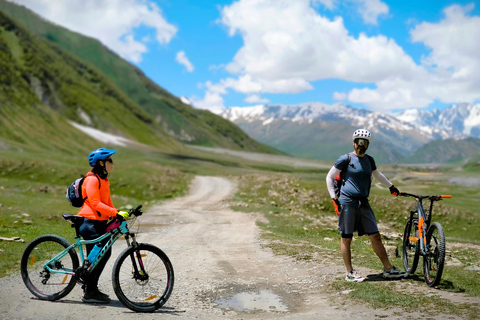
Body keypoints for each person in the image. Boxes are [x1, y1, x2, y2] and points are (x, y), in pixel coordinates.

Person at [326, 129, 404, 282]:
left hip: (364, 203)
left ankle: (388, 269)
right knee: (346, 238)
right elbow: (329, 176)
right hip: (347, 202)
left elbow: (377, 175)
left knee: (375, 235)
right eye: (359, 142)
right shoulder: (346, 159)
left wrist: (391, 186)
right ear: (354, 143)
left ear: (368, 145)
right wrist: (334, 198)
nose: (361, 145)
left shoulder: (369, 160)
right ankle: (349, 272)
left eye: (365, 142)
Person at [78, 148, 127, 303]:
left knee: (104, 253)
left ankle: (91, 288)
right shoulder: (92, 179)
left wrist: (117, 214)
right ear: (101, 163)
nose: (112, 164)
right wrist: (115, 212)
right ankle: (90, 292)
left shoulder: (104, 179)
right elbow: (95, 203)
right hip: (89, 222)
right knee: (96, 257)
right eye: (109, 160)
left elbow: (107, 202)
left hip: (100, 222)